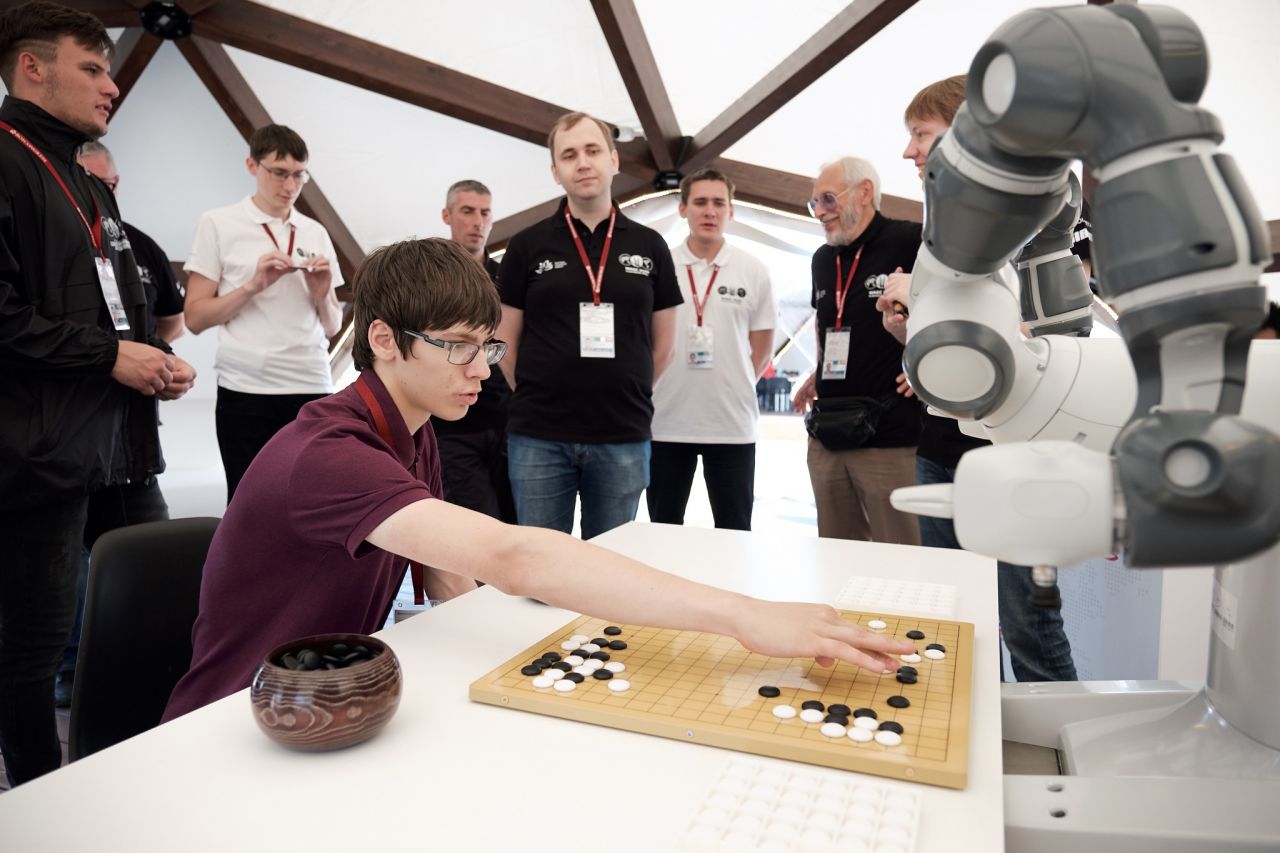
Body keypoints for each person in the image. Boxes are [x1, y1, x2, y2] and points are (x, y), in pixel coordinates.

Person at [162, 238, 913, 720]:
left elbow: (449, 573)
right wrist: (744, 615)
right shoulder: (330, 452)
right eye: (456, 347)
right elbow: (511, 555)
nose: (480, 369)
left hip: (328, 700)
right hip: (234, 723)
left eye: (486, 347)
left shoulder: (410, 426)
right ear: (383, 340)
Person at [0, 1, 194, 786]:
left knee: (160, 613)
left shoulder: (88, 181)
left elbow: (117, 308)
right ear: (31, 67)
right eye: (93, 68)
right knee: (34, 648)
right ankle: (43, 797)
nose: (111, 86)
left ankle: (136, 773)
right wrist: (112, 356)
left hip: (120, 450)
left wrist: (152, 360)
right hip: (39, 458)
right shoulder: (6, 161)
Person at [878, 75, 1077, 682]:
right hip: (941, 450)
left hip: (1015, 460)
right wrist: (908, 327)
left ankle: (1056, 757)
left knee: (1027, 628)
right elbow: (954, 359)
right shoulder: (942, 236)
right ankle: (973, 747)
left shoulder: (1041, 218)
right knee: (954, 617)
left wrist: (921, 303)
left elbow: (1057, 350)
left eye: (921, 134)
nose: (909, 152)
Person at [496, 112, 681, 539]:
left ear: (614, 160)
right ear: (555, 172)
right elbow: (504, 339)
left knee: (610, 572)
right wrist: (535, 391)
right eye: (569, 155)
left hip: (622, 434)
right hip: (539, 434)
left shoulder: (650, 246)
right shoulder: (526, 245)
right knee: (542, 572)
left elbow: (665, 345)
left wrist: (627, 390)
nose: (583, 162)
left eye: (593, 150)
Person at [52, 140, 188, 708]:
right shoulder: (47, 244)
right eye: (87, 181)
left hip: (131, 445)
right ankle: (69, 674)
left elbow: (163, 325)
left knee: (149, 559)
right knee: (64, 576)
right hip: (60, 444)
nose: (98, 194)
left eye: (107, 185)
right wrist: (112, 357)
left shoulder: (136, 245)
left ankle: (154, 670)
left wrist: (163, 364)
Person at [183, 124, 343, 502]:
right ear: (252, 166)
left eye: (299, 175)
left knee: (311, 500)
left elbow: (333, 325)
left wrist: (322, 295)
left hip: (310, 382)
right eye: (279, 173)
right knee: (249, 502)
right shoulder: (218, 223)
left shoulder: (314, 231)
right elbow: (195, 318)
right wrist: (253, 285)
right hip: (247, 386)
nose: (290, 186)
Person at [791, 157, 922, 544]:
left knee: (899, 557)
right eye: (814, 204)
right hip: (828, 432)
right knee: (836, 554)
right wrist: (818, 373)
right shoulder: (822, 259)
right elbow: (828, 323)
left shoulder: (910, 241)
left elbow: (953, 305)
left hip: (889, 435)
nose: (820, 213)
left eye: (828, 200)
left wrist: (928, 369)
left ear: (865, 192)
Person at [647, 168, 776, 530]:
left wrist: (734, 380)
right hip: (666, 421)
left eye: (719, 203)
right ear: (683, 208)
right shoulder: (660, 264)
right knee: (663, 527)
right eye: (700, 202)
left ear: (731, 211)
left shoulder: (753, 269)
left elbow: (762, 346)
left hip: (731, 424)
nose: (710, 211)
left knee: (735, 530)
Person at [433, 179, 515, 522]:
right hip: (452, 428)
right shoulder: (429, 278)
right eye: (467, 211)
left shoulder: (508, 278)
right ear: (447, 215)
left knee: (513, 524)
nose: (478, 221)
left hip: (507, 422)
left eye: (485, 213)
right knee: (476, 522)